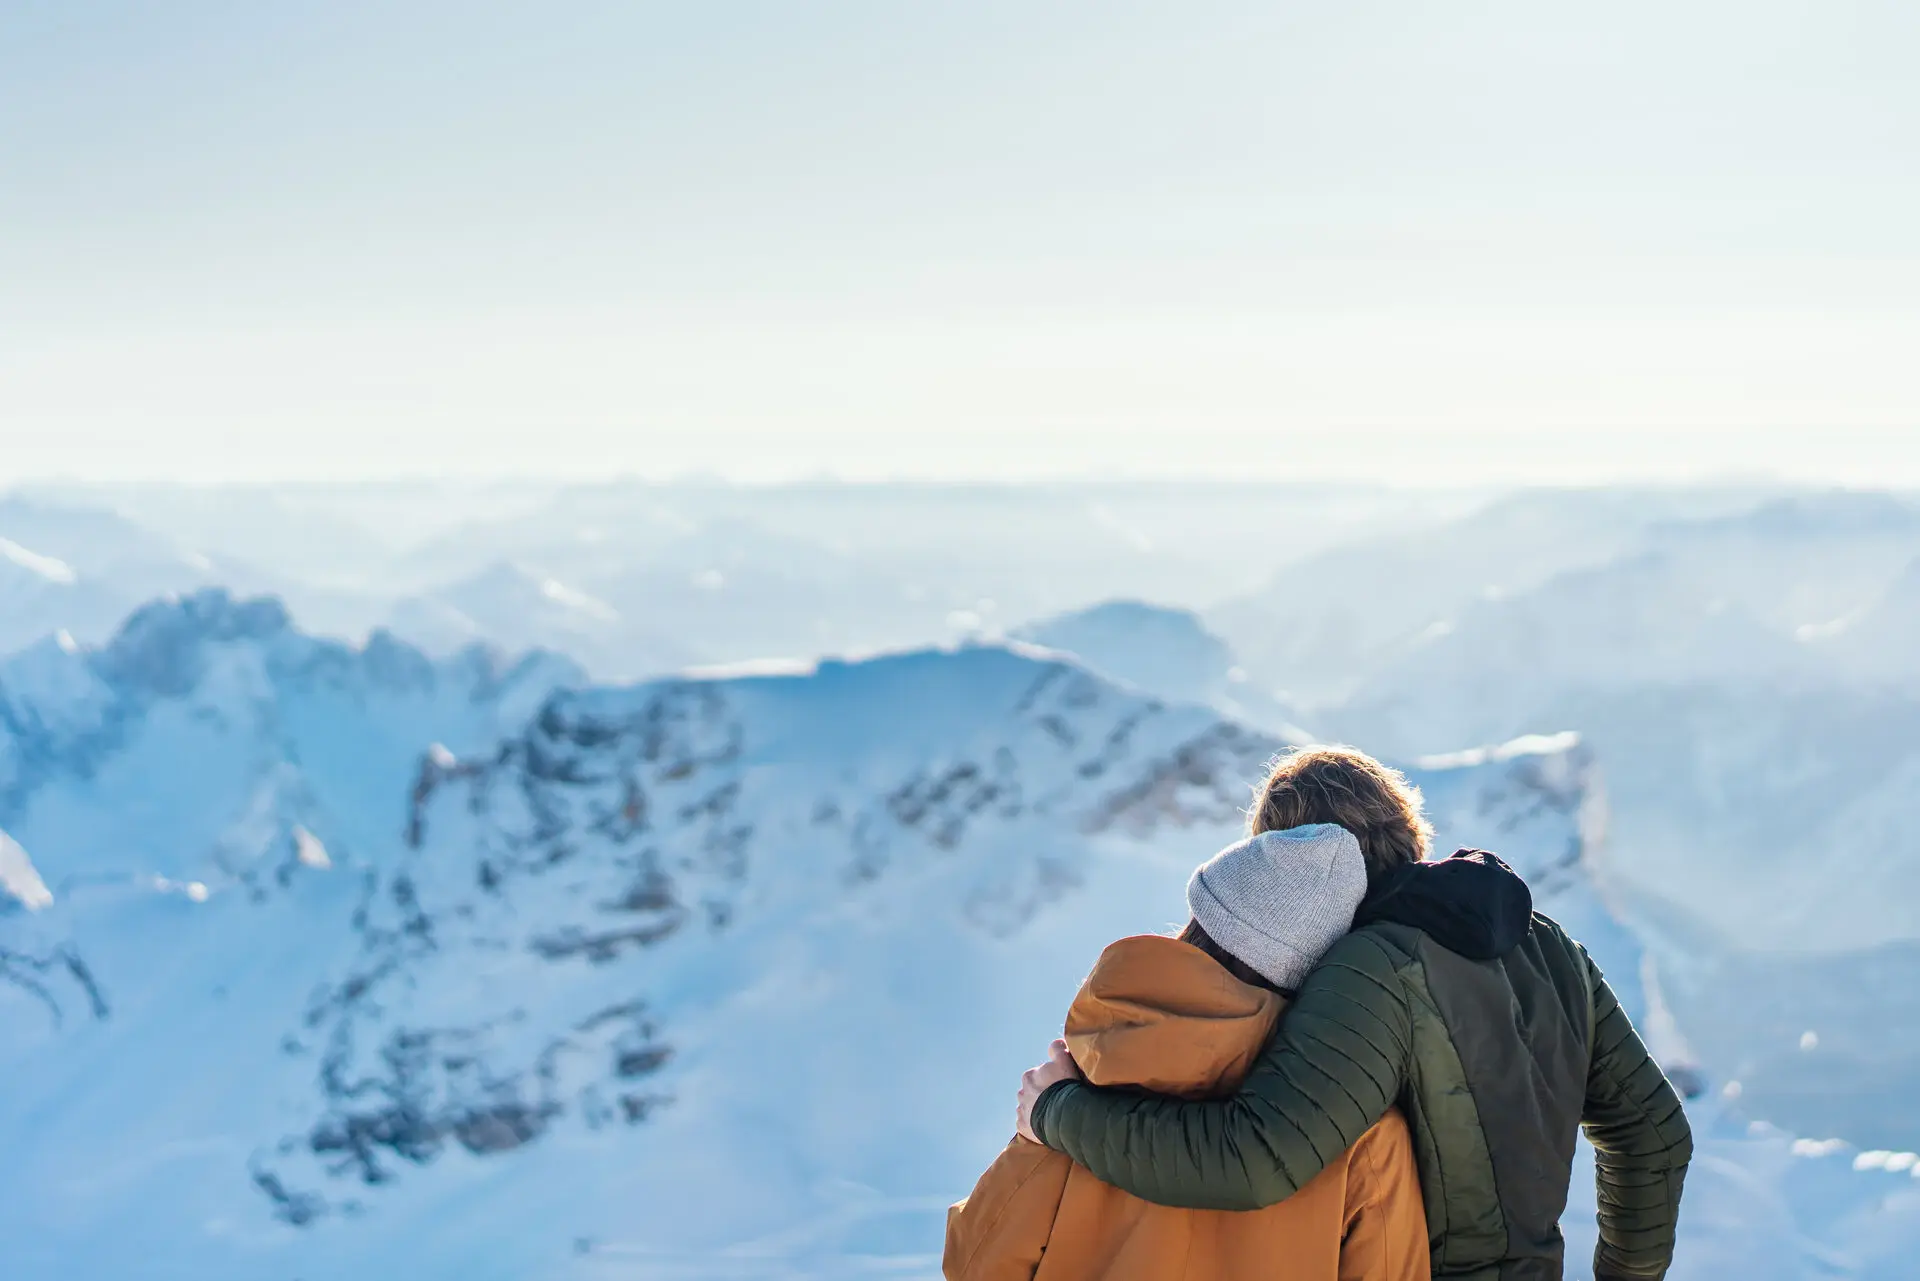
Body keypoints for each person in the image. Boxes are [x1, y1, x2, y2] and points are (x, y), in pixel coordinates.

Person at [1016, 747, 1693, 1281]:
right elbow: (1655, 1135)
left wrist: (1059, 1112)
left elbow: (1255, 1159)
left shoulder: (1372, 971)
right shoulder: (1547, 944)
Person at [947, 824, 1429, 1281]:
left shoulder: (1085, 1078)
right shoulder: (1360, 1133)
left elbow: (976, 1267)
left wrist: (1034, 1141)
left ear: (1199, 924)